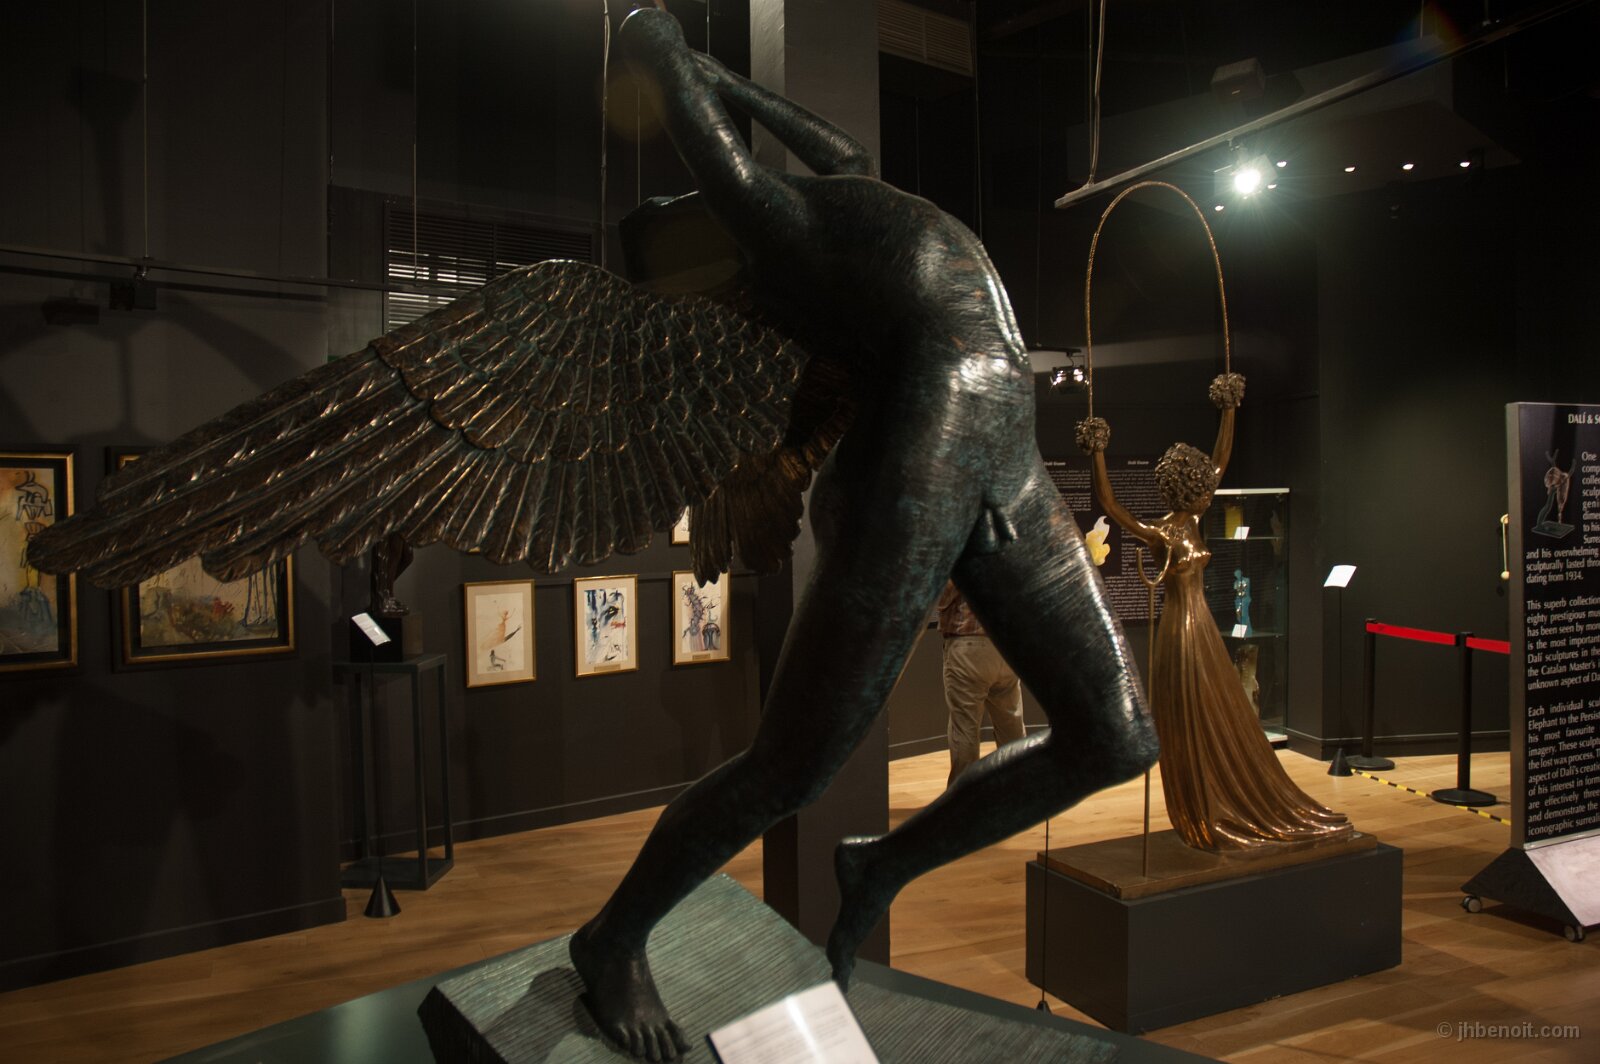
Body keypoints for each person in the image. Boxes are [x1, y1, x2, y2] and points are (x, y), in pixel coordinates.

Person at [568, 10, 1157, 1060]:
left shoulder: (841, 197)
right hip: (925, 445)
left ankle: (880, 864)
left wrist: (711, 71)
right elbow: (670, 78)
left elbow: (837, 146)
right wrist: (663, 41)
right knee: (789, 765)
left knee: (1115, 736)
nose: (691, 211)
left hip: (1000, 440)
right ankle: (612, 936)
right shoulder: (779, 228)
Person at [1081, 377, 1351, 852]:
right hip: (1180, 630)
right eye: (1202, 487)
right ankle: (1205, 801)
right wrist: (1098, 452)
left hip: (1201, 623)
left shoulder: (1193, 518)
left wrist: (1229, 410)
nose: (1210, 491)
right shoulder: (1161, 532)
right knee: (1193, 710)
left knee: (1219, 707)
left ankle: (1235, 788)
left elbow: (1220, 461)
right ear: (1186, 490)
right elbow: (1110, 505)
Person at [937, 581, 1026, 786]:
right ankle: (1019, 791)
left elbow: (942, 597)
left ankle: (965, 797)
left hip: (969, 646)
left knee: (965, 728)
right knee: (1011, 726)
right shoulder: (1009, 557)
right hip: (1006, 644)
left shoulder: (962, 558)